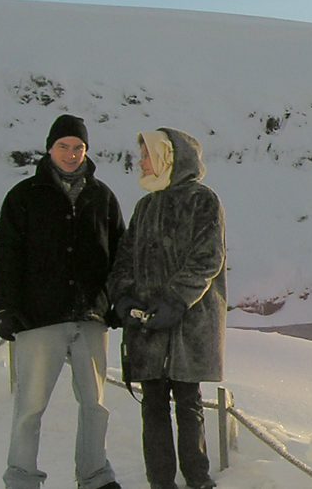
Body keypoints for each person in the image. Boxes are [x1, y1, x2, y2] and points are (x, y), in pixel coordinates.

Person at [0, 114, 124, 489]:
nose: (71, 154)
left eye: (78, 147)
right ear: (50, 148)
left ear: (87, 151)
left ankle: (95, 476)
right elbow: (7, 255)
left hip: (91, 317)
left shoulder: (103, 197)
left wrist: (115, 301)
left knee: (96, 406)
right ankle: (21, 478)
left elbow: (120, 256)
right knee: (30, 407)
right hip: (38, 317)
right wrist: (3, 305)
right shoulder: (23, 197)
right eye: (63, 146)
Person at [109, 127, 227, 489]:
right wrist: (124, 296)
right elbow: (125, 259)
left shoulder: (202, 201)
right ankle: (160, 482)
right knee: (153, 406)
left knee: (189, 405)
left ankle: (198, 480)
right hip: (148, 326)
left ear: (168, 158)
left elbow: (208, 258)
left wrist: (176, 300)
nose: (141, 162)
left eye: (147, 155)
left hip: (189, 324)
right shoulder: (145, 206)